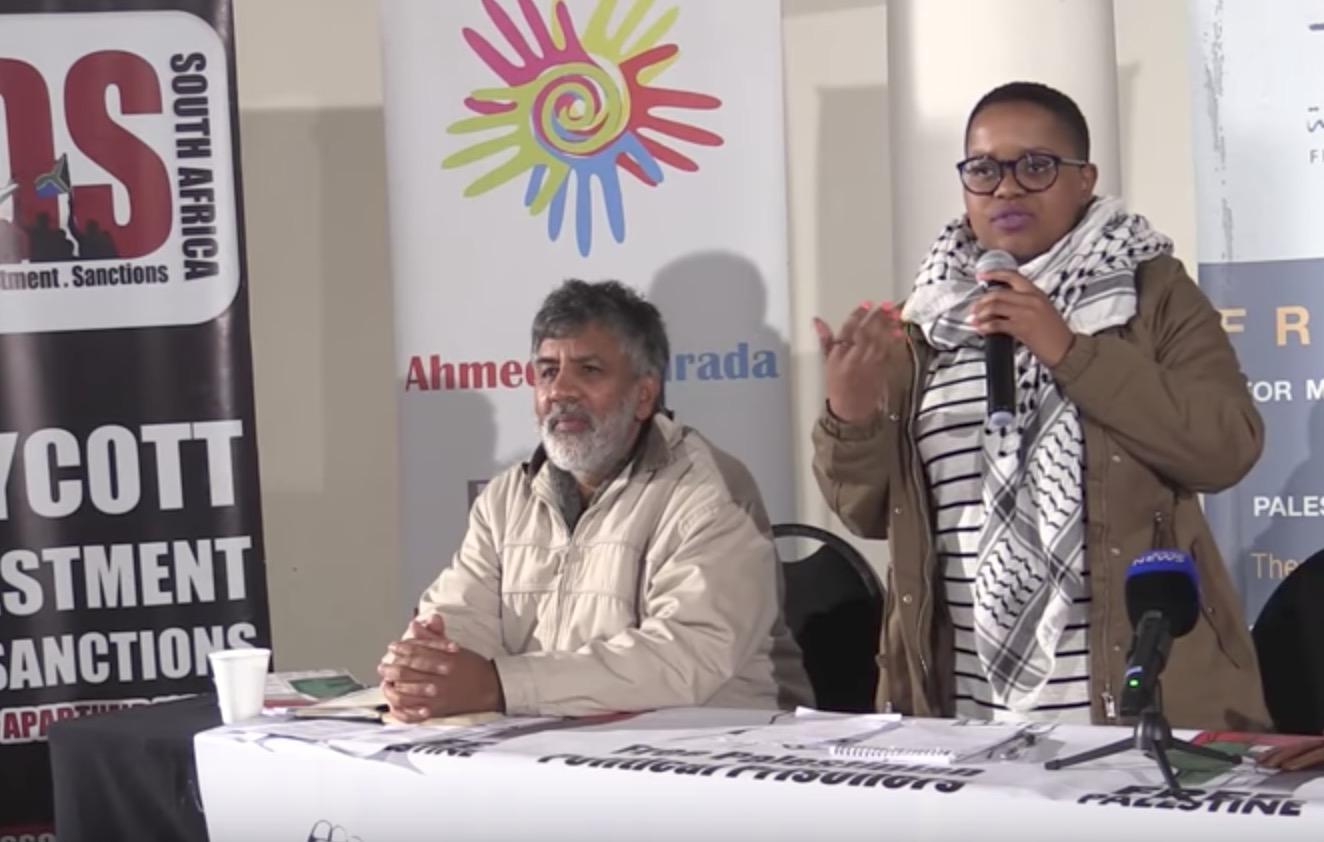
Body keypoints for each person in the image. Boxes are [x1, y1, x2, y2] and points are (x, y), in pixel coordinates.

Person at [811, 81, 1269, 730]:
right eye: (984, 169)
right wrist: (851, 419)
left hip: (1132, 707)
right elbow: (868, 513)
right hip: (963, 712)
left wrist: (1067, 350)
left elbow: (1226, 448)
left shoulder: (1151, 292)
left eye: (1036, 167)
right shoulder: (926, 321)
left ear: (1085, 179)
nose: (1006, 189)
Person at [379, 279, 811, 720]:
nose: (560, 391)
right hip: (561, 746)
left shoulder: (706, 491)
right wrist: (428, 667)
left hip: (719, 752)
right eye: (547, 371)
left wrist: (501, 686)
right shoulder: (508, 497)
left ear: (644, 394)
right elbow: (461, 613)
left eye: (588, 371)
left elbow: (684, 658)